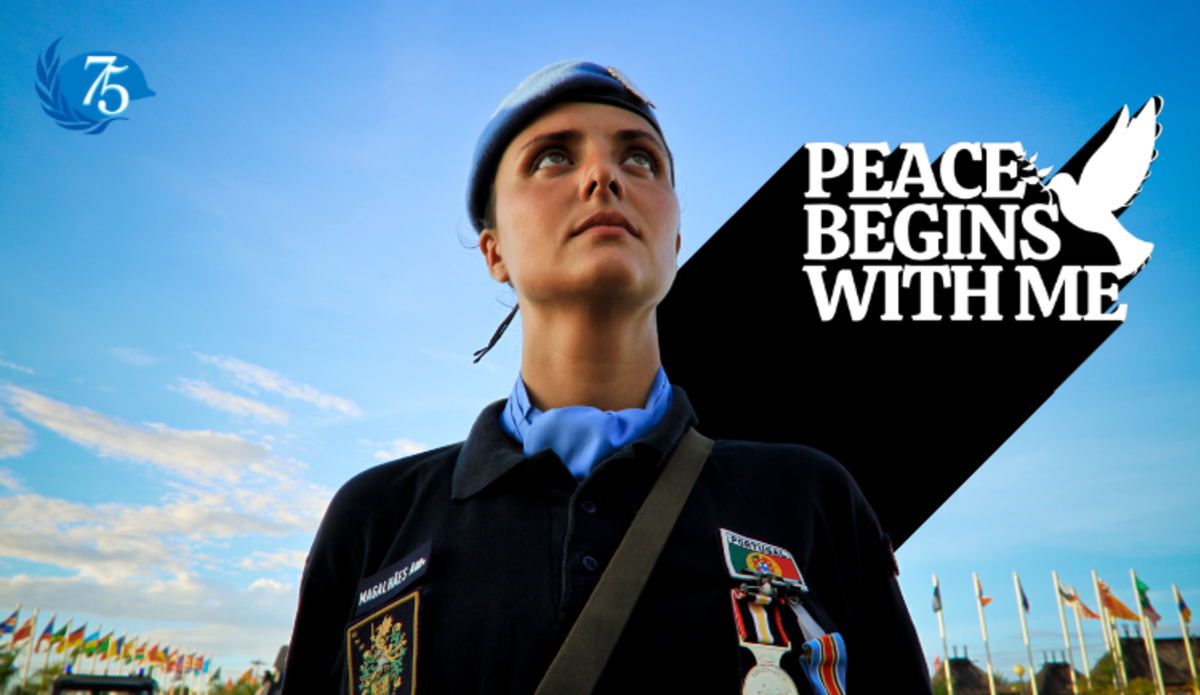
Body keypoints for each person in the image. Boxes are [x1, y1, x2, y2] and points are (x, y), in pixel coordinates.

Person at [283, 60, 932, 694]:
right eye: (552, 157)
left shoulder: (811, 497)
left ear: (674, 241)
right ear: (494, 249)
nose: (603, 175)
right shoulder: (374, 519)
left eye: (641, 159)